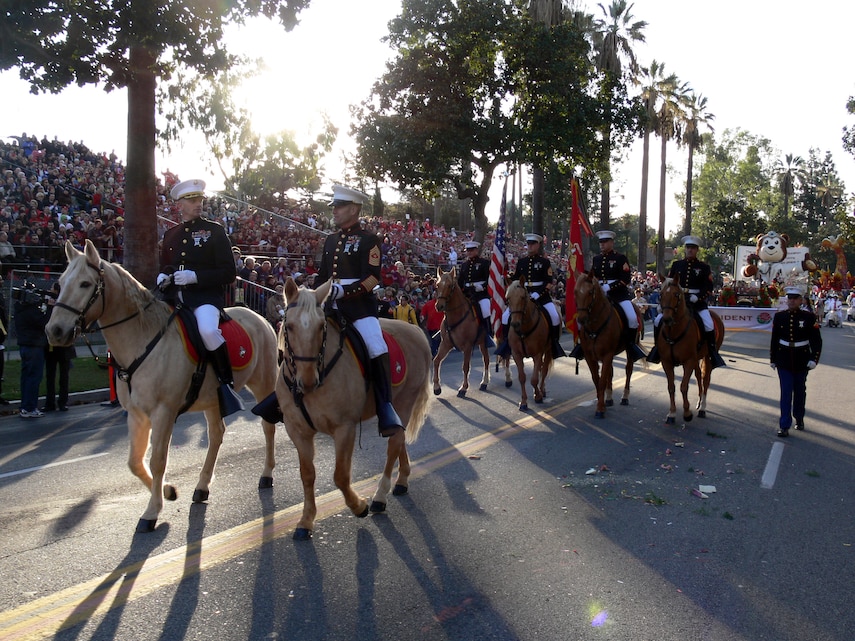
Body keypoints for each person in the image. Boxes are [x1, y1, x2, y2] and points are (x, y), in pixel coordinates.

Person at [157, 179, 244, 418]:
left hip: (204, 297)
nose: (198, 204)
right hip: (174, 297)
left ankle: (225, 384)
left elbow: (228, 273)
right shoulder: (171, 234)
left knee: (207, 330)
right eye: (193, 200)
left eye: (200, 200)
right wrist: (163, 274)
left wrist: (195, 276)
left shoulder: (215, 231)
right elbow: (167, 264)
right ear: (180, 204)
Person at [647, 235, 726, 368]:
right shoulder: (677, 265)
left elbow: (708, 287)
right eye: (688, 248)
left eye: (693, 248)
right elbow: (669, 284)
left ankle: (713, 353)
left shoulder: (703, 267)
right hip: (676, 301)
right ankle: (657, 349)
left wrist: (699, 297)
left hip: (697, 302)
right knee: (657, 320)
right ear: (685, 249)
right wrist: (665, 303)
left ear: (697, 250)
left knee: (708, 324)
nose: (690, 250)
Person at [569, 230, 645, 362]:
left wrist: (609, 287)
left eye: (605, 242)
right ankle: (582, 345)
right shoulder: (597, 259)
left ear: (611, 242)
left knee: (632, 318)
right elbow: (594, 275)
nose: (602, 245)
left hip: (619, 295)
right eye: (601, 242)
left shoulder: (620, 258)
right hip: (600, 295)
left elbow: (625, 279)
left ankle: (631, 346)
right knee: (581, 318)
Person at [496, 233, 565, 359]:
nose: (530, 246)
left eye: (533, 244)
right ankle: (506, 344)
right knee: (506, 317)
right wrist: (506, 277)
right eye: (528, 244)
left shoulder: (544, 262)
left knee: (554, 316)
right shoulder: (522, 262)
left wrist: (538, 294)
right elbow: (516, 278)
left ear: (538, 245)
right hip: (523, 296)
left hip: (541, 297)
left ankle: (554, 344)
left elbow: (549, 282)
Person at [770, 286, 822, 437]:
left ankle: (799, 417)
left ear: (801, 300)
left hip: (801, 359)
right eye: (789, 298)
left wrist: (814, 359)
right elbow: (775, 339)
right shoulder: (780, 317)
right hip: (784, 359)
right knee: (786, 392)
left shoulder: (809, 317)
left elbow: (816, 341)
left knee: (799, 391)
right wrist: (773, 358)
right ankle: (784, 425)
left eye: (794, 299)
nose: (791, 301)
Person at [14, 282, 48, 418]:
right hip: (34, 346)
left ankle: (25, 406)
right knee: (34, 378)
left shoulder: (19, 309)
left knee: (26, 378)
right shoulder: (31, 311)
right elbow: (43, 323)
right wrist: (48, 308)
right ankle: (30, 407)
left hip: (24, 346)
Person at [457, 240, 495, 347]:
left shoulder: (484, 263)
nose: (469, 252)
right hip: (467, 294)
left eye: (472, 250)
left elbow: (490, 279)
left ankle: (487, 334)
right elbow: (460, 282)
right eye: (468, 250)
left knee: (485, 309)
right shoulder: (464, 265)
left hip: (480, 293)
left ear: (476, 250)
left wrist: (483, 287)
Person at [43, 282, 73, 411]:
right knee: (50, 375)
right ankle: (50, 402)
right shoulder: (48, 305)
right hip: (51, 346)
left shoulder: (66, 306)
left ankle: (62, 402)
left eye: (52, 289)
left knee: (64, 375)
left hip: (64, 346)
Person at [420, 290, 445, 357]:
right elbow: (423, 312)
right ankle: (435, 353)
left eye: (436, 294)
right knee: (434, 340)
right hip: (430, 326)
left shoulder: (442, 304)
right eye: (434, 294)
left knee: (435, 341)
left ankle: (433, 353)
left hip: (439, 326)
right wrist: (422, 317)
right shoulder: (428, 304)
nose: (435, 295)